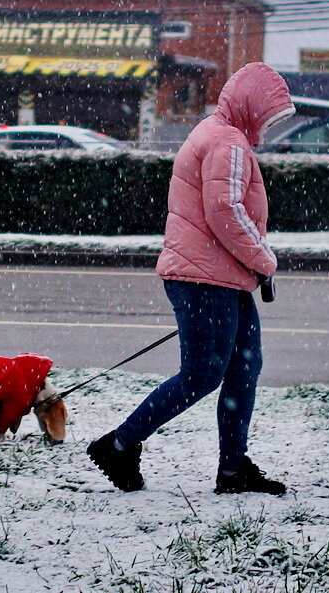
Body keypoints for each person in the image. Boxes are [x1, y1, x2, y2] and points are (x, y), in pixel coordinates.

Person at [88, 62, 295, 495]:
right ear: (252, 106)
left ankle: (234, 470)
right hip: (208, 278)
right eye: (268, 116)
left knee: (243, 368)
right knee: (202, 374)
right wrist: (264, 260)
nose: (268, 128)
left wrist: (253, 265)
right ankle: (120, 445)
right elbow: (226, 212)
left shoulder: (217, 133)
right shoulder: (228, 143)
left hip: (221, 276)